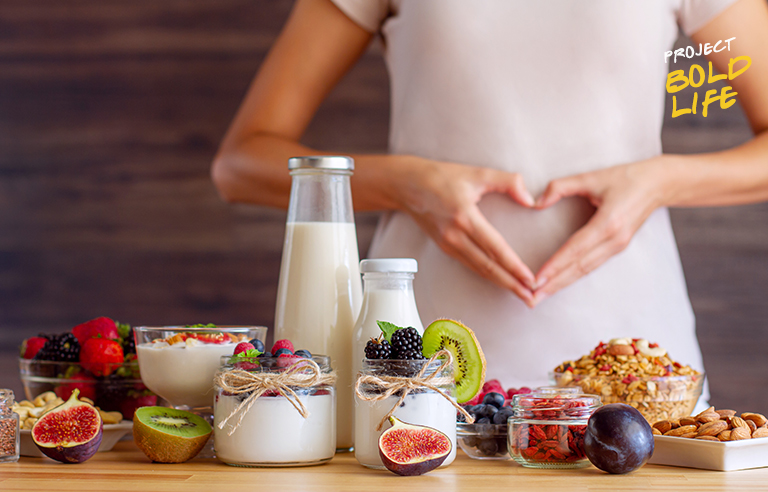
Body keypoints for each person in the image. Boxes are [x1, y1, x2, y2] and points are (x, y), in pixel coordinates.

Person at [211, 0, 768, 399]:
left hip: (643, 376)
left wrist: (659, 181)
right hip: (416, 374)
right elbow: (242, 163)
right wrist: (406, 182)